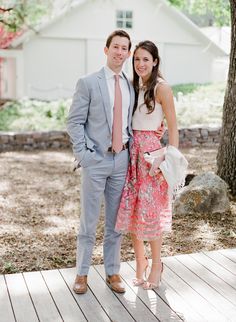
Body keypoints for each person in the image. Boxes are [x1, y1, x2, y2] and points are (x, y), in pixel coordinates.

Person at [67, 30, 134, 294]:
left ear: (128, 53)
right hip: (96, 161)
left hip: (122, 160)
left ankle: (112, 271)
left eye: (124, 48)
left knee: (116, 222)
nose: (120, 52)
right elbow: (74, 121)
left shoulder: (131, 85)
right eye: (115, 47)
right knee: (89, 221)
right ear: (106, 50)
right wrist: (84, 155)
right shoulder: (88, 82)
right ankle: (82, 273)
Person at [115, 40, 179, 290]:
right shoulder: (133, 86)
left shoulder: (162, 88)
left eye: (145, 59)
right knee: (133, 211)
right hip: (132, 155)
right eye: (137, 59)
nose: (140, 64)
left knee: (150, 213)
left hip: (152, 157)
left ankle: (157, 265)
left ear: (155, 61)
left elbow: (172, 126)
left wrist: (168, 157)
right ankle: (140, 263)